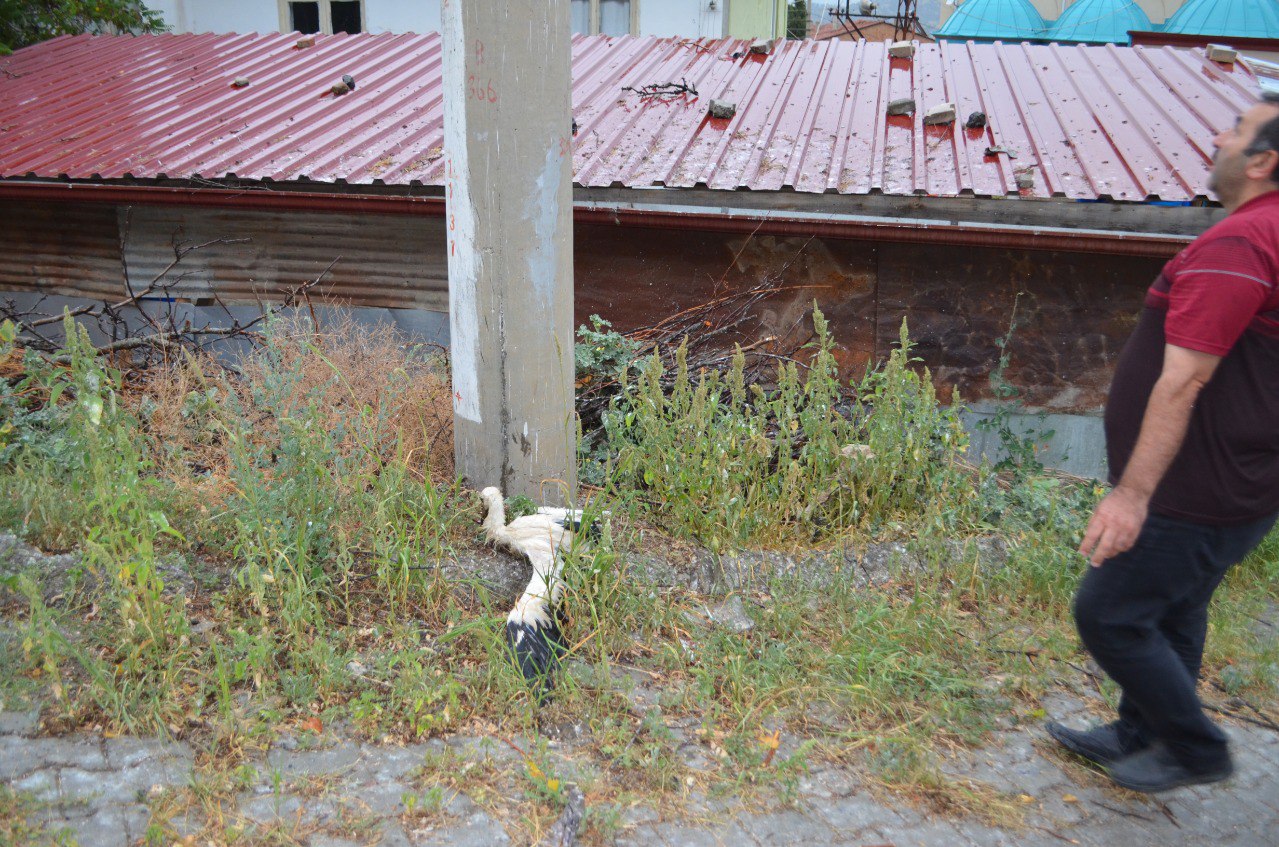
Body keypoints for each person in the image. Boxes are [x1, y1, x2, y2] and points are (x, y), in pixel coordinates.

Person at [1046, 91, 1279, 793]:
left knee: (1108, 611)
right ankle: (1140, 730)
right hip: (1241, 478)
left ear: (1263, 160)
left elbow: (1182, 381)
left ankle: (1194, 746)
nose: (1217, 138)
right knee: (1173, 604)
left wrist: (1131, 494)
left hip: (1194, 483)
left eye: (1234, 132)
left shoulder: (1240, 241)